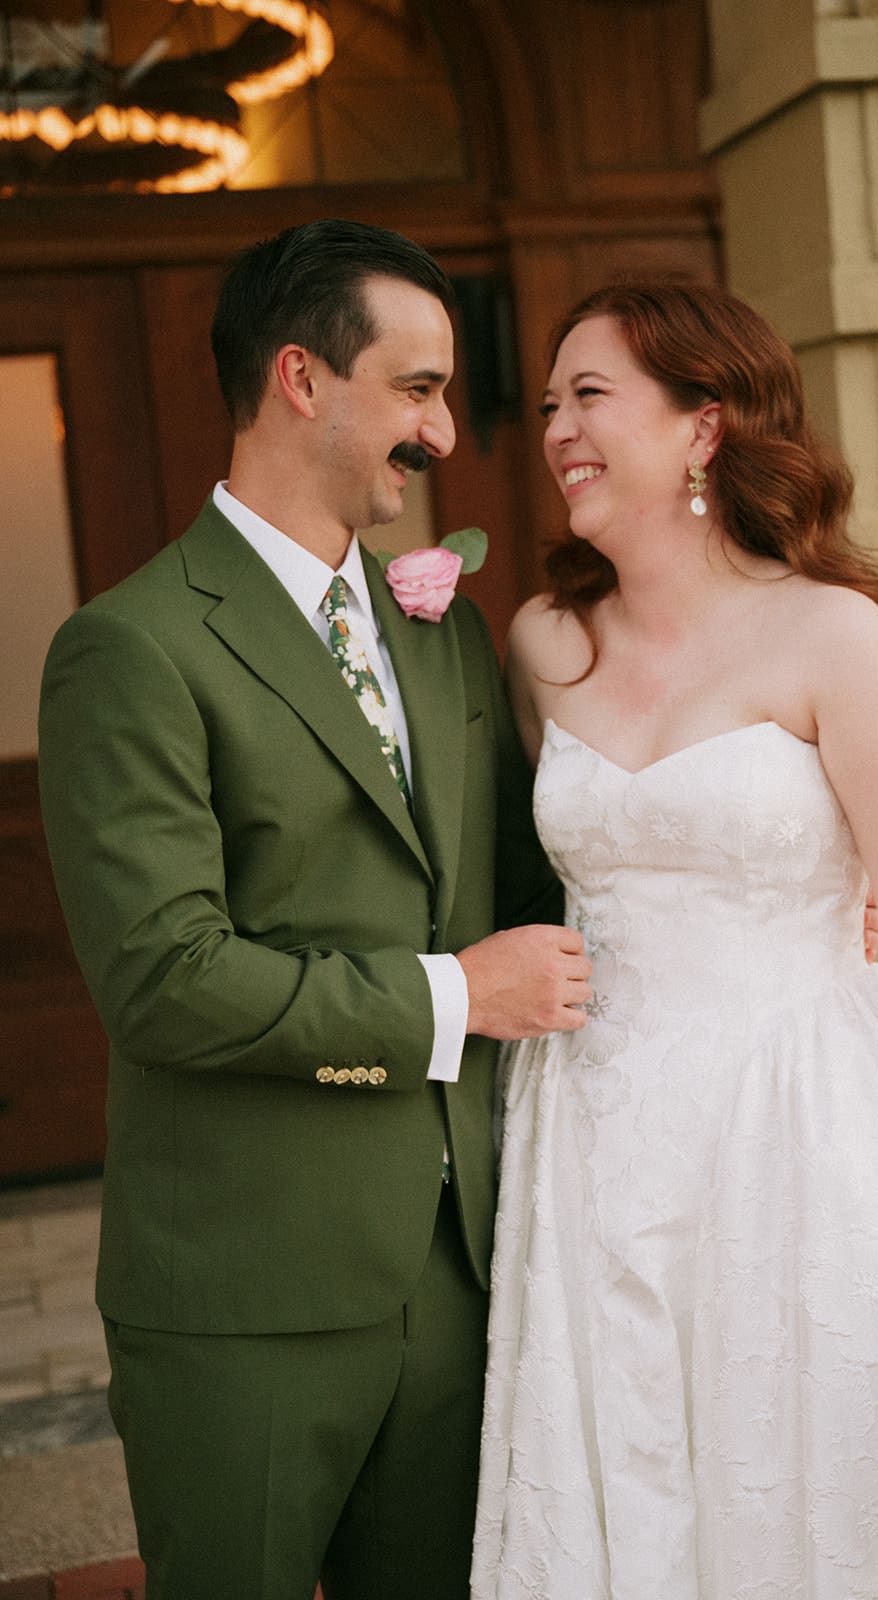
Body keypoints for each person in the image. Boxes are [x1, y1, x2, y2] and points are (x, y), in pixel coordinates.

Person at [470, 279, 878, 1600]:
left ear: (703, 426)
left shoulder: (830, 637)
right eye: (551, 399)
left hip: (798, 1128)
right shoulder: (539, 642)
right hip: (593, 1138)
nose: (558, 425)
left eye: (592, 395)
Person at [36, 218, 594, 1600]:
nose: (447, 432)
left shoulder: (440, 624)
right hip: (247, 1303)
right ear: (300, 379)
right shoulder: (131, 648)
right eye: (415, 389)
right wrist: (454, 999)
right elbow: (166, 977)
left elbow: (523, 892)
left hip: (464, 1281)